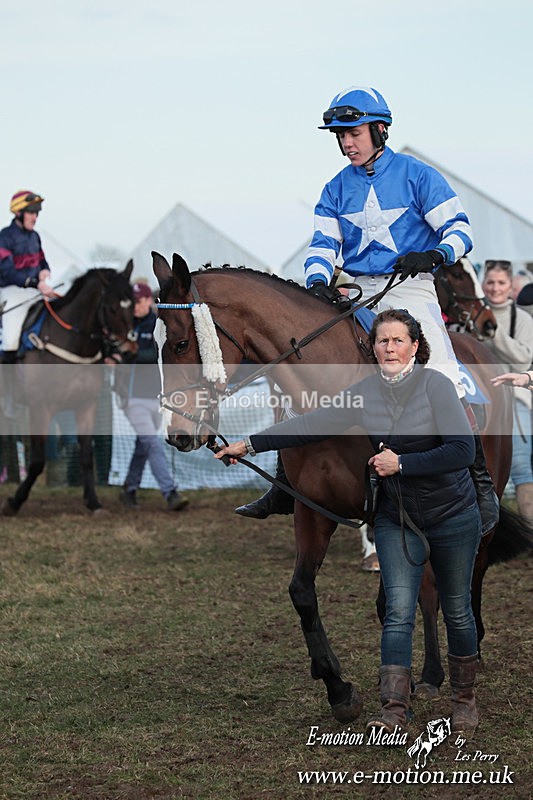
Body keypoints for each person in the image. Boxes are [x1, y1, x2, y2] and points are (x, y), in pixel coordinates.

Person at [237, 86, 498, 537]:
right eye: (339, 136)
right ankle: (286, 479)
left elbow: (459, 230)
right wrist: (318, 281)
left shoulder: (419, 175)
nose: (346, 144)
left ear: (380, 129)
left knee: (438, 370)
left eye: (353, 133)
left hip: (410, 288)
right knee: (298, 367)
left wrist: (433, 257)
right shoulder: (334, 188)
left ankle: (480, 485)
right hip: (355, 292)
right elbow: (323, 245)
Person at [217, 309, 482, 738]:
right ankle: (395, 710)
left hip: (451, 516)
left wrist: (403, 463)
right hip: (395, 517)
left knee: (457, 611)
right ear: (372, 348)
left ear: (415, 346)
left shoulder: (436, 386)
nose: (389, 348)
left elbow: (461, 452)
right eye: (382, 341)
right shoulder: (365, 392)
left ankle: (465, 703)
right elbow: (312, 423)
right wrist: (247, 444)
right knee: (397, 613)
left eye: (398, 340)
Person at [118, 282, 188, 512]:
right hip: (134, 397)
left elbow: (158, 354)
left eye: (139, 300)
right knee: (152, 442)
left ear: (148, 300)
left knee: (144, 445)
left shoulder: (160, 324)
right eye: (133, 301)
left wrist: (133, 352)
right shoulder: (126, 324)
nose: (135, 305)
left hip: (157, 397)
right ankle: (170, 493)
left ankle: (129, 487)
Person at [482, 260, 533, 522]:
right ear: (482, 284)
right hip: (478, 398)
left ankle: (530, 529)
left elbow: (524, 361)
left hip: (515, 398)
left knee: (521, 465)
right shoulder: (469, 313)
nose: (495, 288)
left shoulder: (522, 319)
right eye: (490, 282)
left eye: (501, 282)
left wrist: (493, 332)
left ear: (510, 286)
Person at [0, 190, 55, 360]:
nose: (35, 217)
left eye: (36, 213)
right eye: (31, 213)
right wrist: (34, 283)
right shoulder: (5, 236)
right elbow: (7, 272)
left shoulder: (35, 237)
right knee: (10, 341)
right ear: (18, 213)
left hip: (35, 291)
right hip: (11, 291)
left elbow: (42, 260)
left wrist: (45, 270)